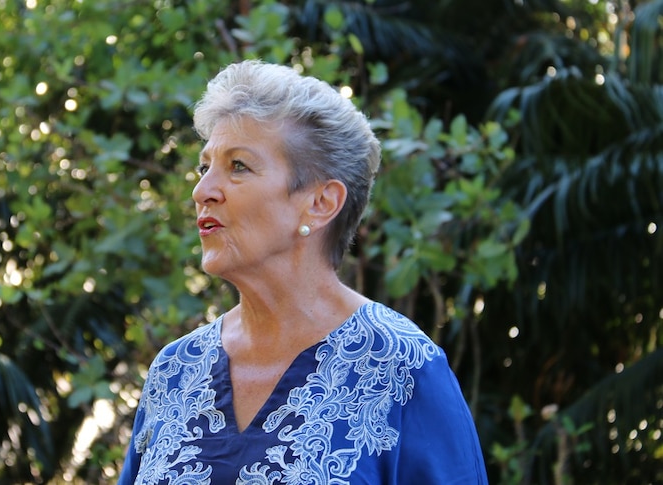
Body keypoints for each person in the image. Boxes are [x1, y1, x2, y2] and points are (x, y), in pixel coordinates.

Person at [117, 59, 488, 484]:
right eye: (205, 167)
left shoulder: (404, 369)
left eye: (238, 166)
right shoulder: (174, 372)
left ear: (321, 203)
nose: (202, 191)